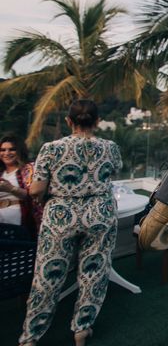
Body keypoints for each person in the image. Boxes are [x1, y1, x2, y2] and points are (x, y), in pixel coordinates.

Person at [19, 99, 123, 346]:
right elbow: (114, 172)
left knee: (48, 276)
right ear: (97, 121)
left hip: (61, 216)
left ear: (68, 121)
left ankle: (31, 336)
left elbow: (36, 190)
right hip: (101, 213)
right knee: (94, 273)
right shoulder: (110, 147)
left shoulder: (51, 148)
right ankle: (82, 329)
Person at [0, 133, 38, 235]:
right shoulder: (1, 172)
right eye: (2, 150)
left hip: (18, 219)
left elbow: (34, 196)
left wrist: (10, 188)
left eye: (12, 149)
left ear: (20, 151)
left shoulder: (29, 169)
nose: (6, 153)